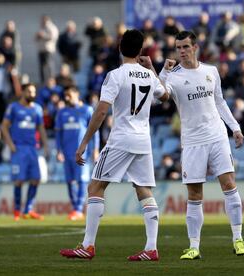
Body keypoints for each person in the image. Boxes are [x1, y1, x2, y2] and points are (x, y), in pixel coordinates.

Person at [60, 29, 168, 261]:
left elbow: (101, 111)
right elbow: (166, 95)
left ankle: (88, 246)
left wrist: (85, 142)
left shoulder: (115, 75)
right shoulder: (149, 75)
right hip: (143, 140)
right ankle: (151, 248)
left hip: (121, 138)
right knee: (144, 190)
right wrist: (152, 68)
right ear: (141, 51)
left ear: (120, 47)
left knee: (95, 188)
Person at [159, 31, 244, 260]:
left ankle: (238, 239)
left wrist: (235, 127)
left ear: (195, 47)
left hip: (217, 136)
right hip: (192, 142)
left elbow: (219, 101)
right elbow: (158, 96)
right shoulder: (174, 76)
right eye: (178, 47)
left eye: (186, 46)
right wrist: (163, 71)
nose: (182, 51)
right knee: (195, 194)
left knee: (229, 184)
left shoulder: (211, 71)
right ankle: (194, 247)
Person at [1, 83, 48, 221]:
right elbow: (4, 127)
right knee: (19, 180)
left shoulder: (37, 109)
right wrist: (10, 145)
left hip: (33, 149)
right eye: (29, 92)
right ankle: (16, 210)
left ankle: (27, 210)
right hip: (19, 148)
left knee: (36, 179)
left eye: (34, 92)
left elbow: (41, 128)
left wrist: (46, 146)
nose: (32, 94)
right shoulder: (14, 108)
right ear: (22, 92)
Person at [55, 86, 99, 220]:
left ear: (76, 94)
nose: (67, 98)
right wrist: (58, 151)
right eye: (65, 96)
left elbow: (94, 131)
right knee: (69, 181)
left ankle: (78, 209)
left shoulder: (87, 110)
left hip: (82, 153)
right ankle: (75, 208)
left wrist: (95, 150)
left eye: (69, 95)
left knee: (81, 180)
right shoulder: (62, 113)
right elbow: (58, 134)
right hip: (67, 153)